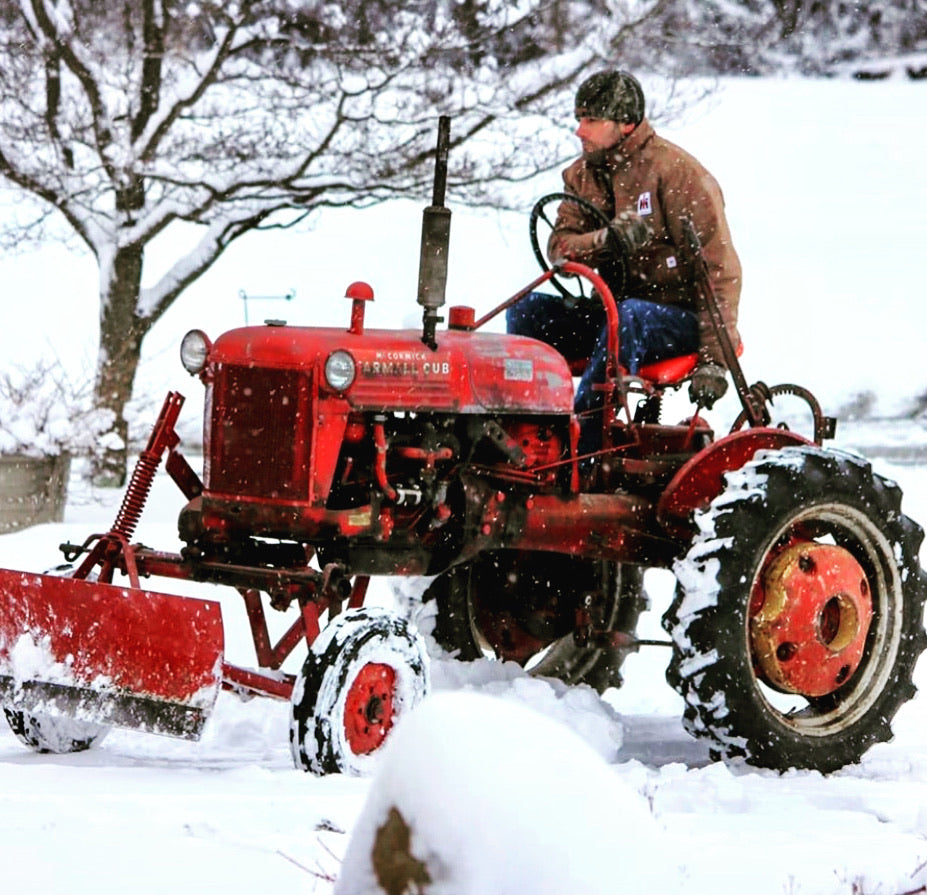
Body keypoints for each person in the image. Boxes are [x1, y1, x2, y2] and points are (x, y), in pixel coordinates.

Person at [507, 70, 742, 455]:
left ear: (627, 124)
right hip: (619, 313)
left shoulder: (679, 175)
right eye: (579, 119)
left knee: (629, 316)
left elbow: (722, 273)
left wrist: (715, 361)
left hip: (681, 319)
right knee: (528, 311)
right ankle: (527, 432)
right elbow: (559, 247)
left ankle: (584, 448)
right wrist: (606, 240)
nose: (579, 131)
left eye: (591, 121)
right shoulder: (581, 175)